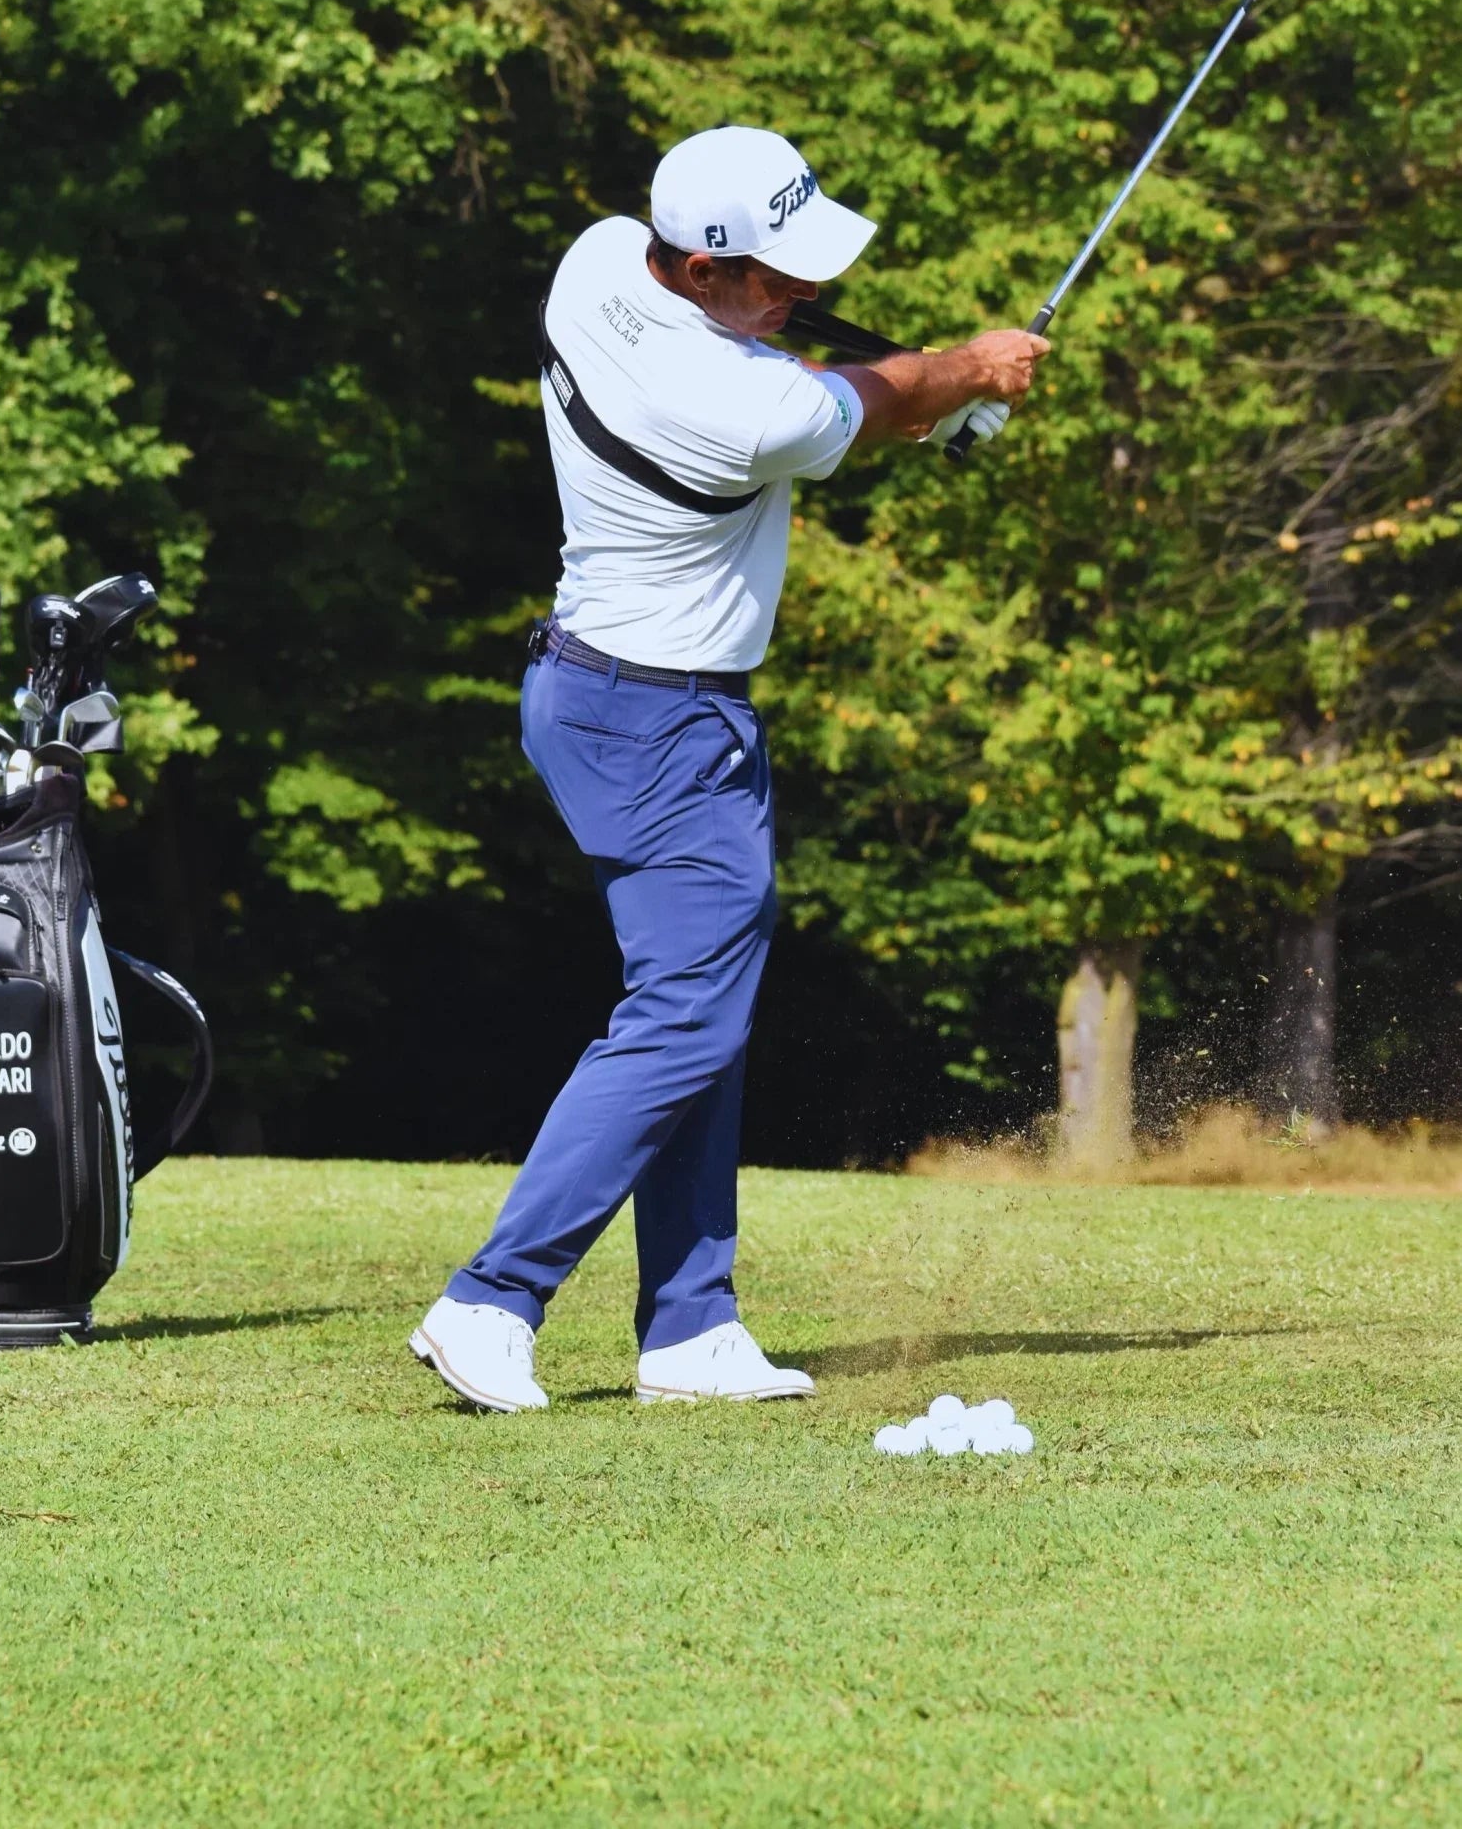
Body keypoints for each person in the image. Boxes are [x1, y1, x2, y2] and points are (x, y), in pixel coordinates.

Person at [411, 125, 1049, 1411]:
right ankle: (493, 1297)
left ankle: (690, 1325)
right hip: (661, 726)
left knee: (698, 1005)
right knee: (686, 1013)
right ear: (701, 269)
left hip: (596, 696)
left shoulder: (595, 266)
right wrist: (969, 371)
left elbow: (833, 367)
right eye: (772, 274)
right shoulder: (743, 409)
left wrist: (927, 383)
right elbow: (863, 401)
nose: (796, 293)